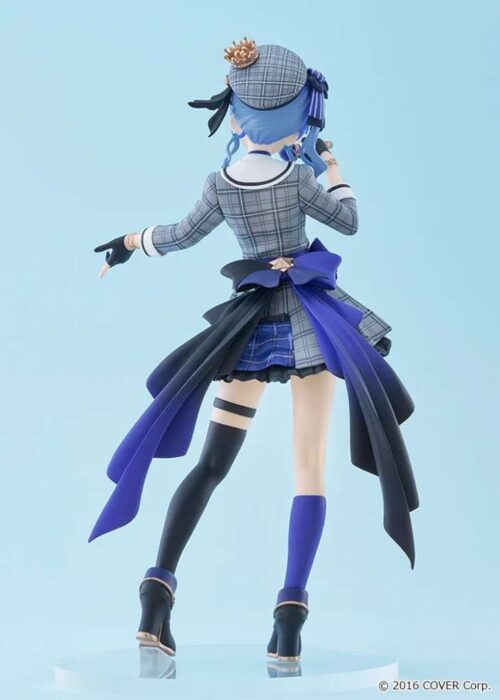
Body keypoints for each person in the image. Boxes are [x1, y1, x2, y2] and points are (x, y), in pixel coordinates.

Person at [92, 40, 418, 662]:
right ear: (300, 119)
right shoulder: (299, 179)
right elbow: (349, 221)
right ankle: (289, 618)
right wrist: (334, 168)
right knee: (309, 466)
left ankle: (157, 590)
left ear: (235, 115)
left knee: (212, 463)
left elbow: (179, 236)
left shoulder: (220, 184)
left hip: (248, 329)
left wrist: (130, 242)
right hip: (312, 325)